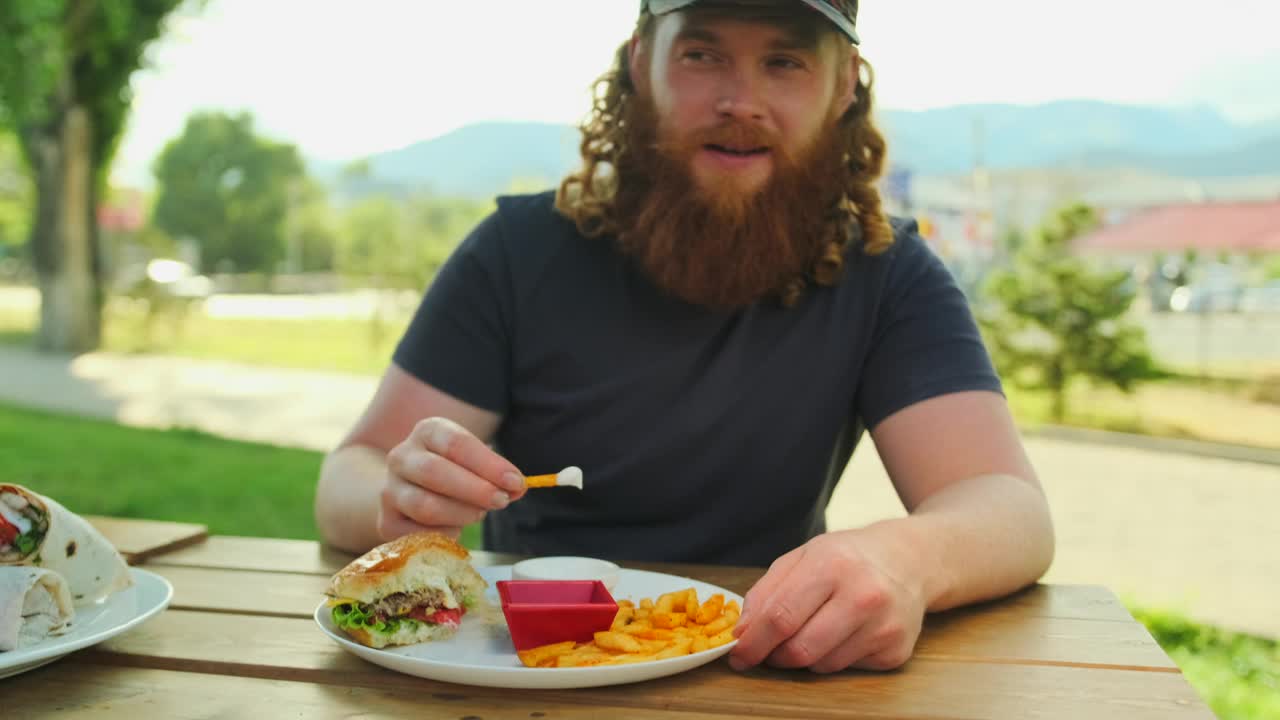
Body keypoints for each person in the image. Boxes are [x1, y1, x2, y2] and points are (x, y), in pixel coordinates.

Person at [315, 0, 1055, 674]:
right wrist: (397, 495)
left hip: (775, 670)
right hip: (520, 676)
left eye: (785, 62)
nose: (741, 102)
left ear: (845, 86)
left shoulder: (886, 272)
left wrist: (906, 558)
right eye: (701, 54)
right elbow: (352, 471)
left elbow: (1008, 509)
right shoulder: (517, 252)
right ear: (641, 64)